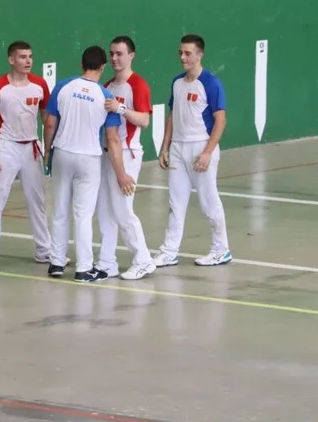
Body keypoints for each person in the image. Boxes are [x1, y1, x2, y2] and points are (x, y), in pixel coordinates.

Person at [43, 45, 136, 282]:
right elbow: (112, 139)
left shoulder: (63, 86)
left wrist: (47, 151)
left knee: (60, 209)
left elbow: (50, 123)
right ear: (103, 67)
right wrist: (121, 172)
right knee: (83, 215)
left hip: (62, 153)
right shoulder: (106, 97)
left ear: (81, 64)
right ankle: (83, 268)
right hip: (89, 159)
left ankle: (56, 262)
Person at [153, 34, 233, 267]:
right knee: (175, 203)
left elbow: (220, 121)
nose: (182, 57)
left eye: (187, 53)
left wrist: (207, 152)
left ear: (199, 55)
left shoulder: (211, 83)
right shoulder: (177, 82)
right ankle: (169, 251)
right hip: (178, 148)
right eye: (180, 52)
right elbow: (172, 115)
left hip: (201, 147)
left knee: (209, 201)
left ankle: (221, 250)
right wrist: (165, 147)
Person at [0, 40, 52, 271]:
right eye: (22, 57)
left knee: (37, 202)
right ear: (11, 60)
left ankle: (44, 251)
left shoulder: (40, 85)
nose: (28, 61)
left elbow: (47, 118)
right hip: (6, 148)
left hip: (31, 148)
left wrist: (49, 148)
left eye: (30, 56)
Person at [91, 36, 157, 281]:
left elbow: (144, 120)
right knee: (105, 211)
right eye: (112, 54)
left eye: (119, 53)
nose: (115, 58)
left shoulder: (138, 85)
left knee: (122, 210)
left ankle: (143, 260)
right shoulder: (107, 84)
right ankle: (107, 263)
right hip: (107, 153)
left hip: (128, 153)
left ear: (131, 55)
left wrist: (120, 109)